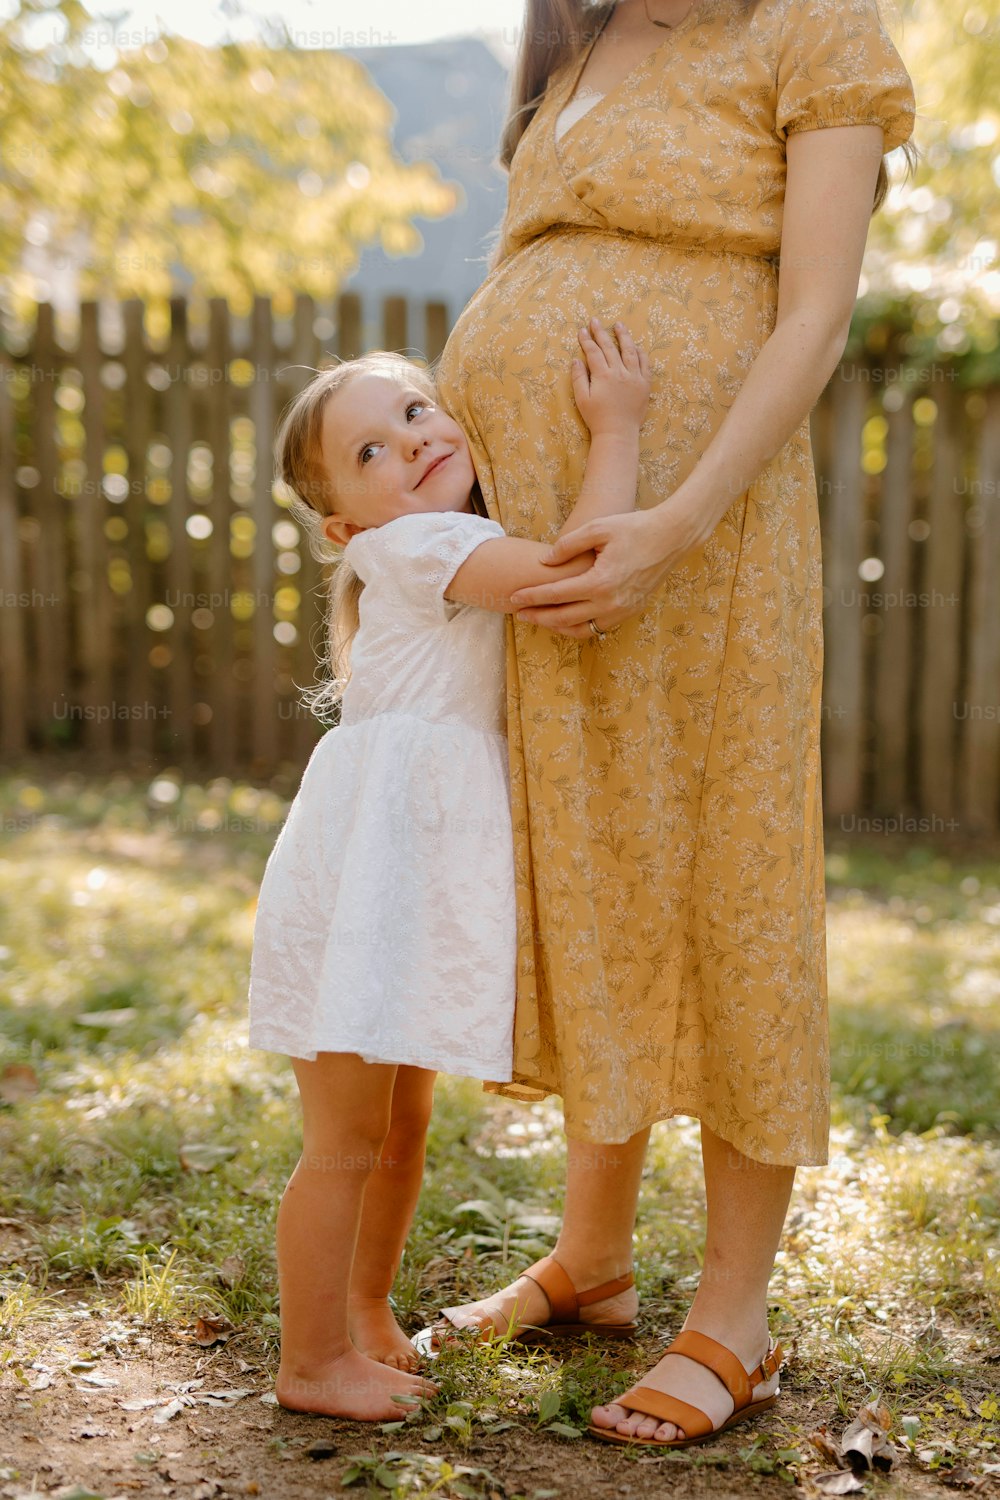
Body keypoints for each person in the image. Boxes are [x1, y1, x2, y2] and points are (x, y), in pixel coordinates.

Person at [429, 0, 916, 1450]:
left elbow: (815, 311)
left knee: (723, 875)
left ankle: (735, 1319)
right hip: (550, 540)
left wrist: (675, 520)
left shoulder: (815, 25)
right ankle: (588, 1259)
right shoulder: (576, 39)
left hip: (701, 534)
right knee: (590, 862)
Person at [247, 320, 651, 1421]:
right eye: (370, 450)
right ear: (342, 523)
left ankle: (364, 1317)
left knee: (399, 1125)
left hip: (404, 877)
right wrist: (614, 426)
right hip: (375, 881)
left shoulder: (442, 542)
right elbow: (574, 570)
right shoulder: (421, 550)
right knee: (342, 1143)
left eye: (416, 411)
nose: (412, 443)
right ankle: (310, 1359)